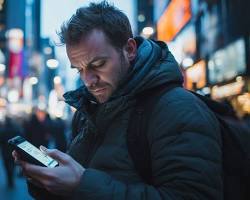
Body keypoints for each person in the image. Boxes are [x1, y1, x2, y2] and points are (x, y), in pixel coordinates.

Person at [13, 1, 223, 199]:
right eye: (80, 69)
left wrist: (82, 184)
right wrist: (49, 182)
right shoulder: (89, 111)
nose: (88, 81)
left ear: (129, 50)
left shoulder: (178, 108)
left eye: (99, 64)